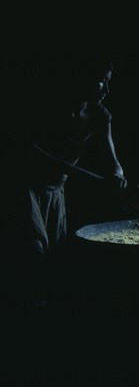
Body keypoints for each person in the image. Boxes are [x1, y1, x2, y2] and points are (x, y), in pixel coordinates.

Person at [2, 56, 128, 263]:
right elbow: (29, 151)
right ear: (85, 79)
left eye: (108, 82)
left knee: (54, 257)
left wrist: (117, 175)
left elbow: (112, 160)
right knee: (33, 251)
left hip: (56, 193)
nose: (106, 90)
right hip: (28, 190)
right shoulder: (51, 107)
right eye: (102, 81)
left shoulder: (100, 116)